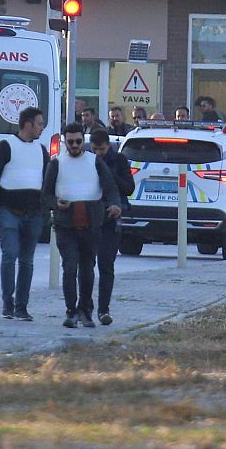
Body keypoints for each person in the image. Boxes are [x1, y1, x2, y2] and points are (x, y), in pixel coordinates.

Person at [44, 122, 121, 329]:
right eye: (71, 142)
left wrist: (115, 205)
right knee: (69, 267)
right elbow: (46, 194)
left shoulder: (94, 161)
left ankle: (85, 310)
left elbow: (110, 187)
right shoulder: (56, 164)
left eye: (78, 141)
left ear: (83, 141)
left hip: (91, 225)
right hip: (65, 226)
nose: (75, 145)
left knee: (87, 270)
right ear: (65, 142)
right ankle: (71, 311)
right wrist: (56, 204)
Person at [0, 106, 49, 321]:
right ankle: (8, 302)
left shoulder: (41, 150)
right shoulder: (6, 146)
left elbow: (47, 179)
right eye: (39, 124)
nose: (41, 128)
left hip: (33, 212)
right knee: (10, 254)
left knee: (27, 260)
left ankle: (21, 306)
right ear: (27, 124)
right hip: (8, 209)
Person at [89, 129, 135, 325]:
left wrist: (109, 176)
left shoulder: (119, 161)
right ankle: (86, 307)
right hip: (91, 217)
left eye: (102, 149)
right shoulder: (86, 161)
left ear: (108, 145)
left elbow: (129, 188)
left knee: (106, 264)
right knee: (86, 265)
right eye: (95, 149)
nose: (98, 153)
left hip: (112, 217)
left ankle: (103, 309)